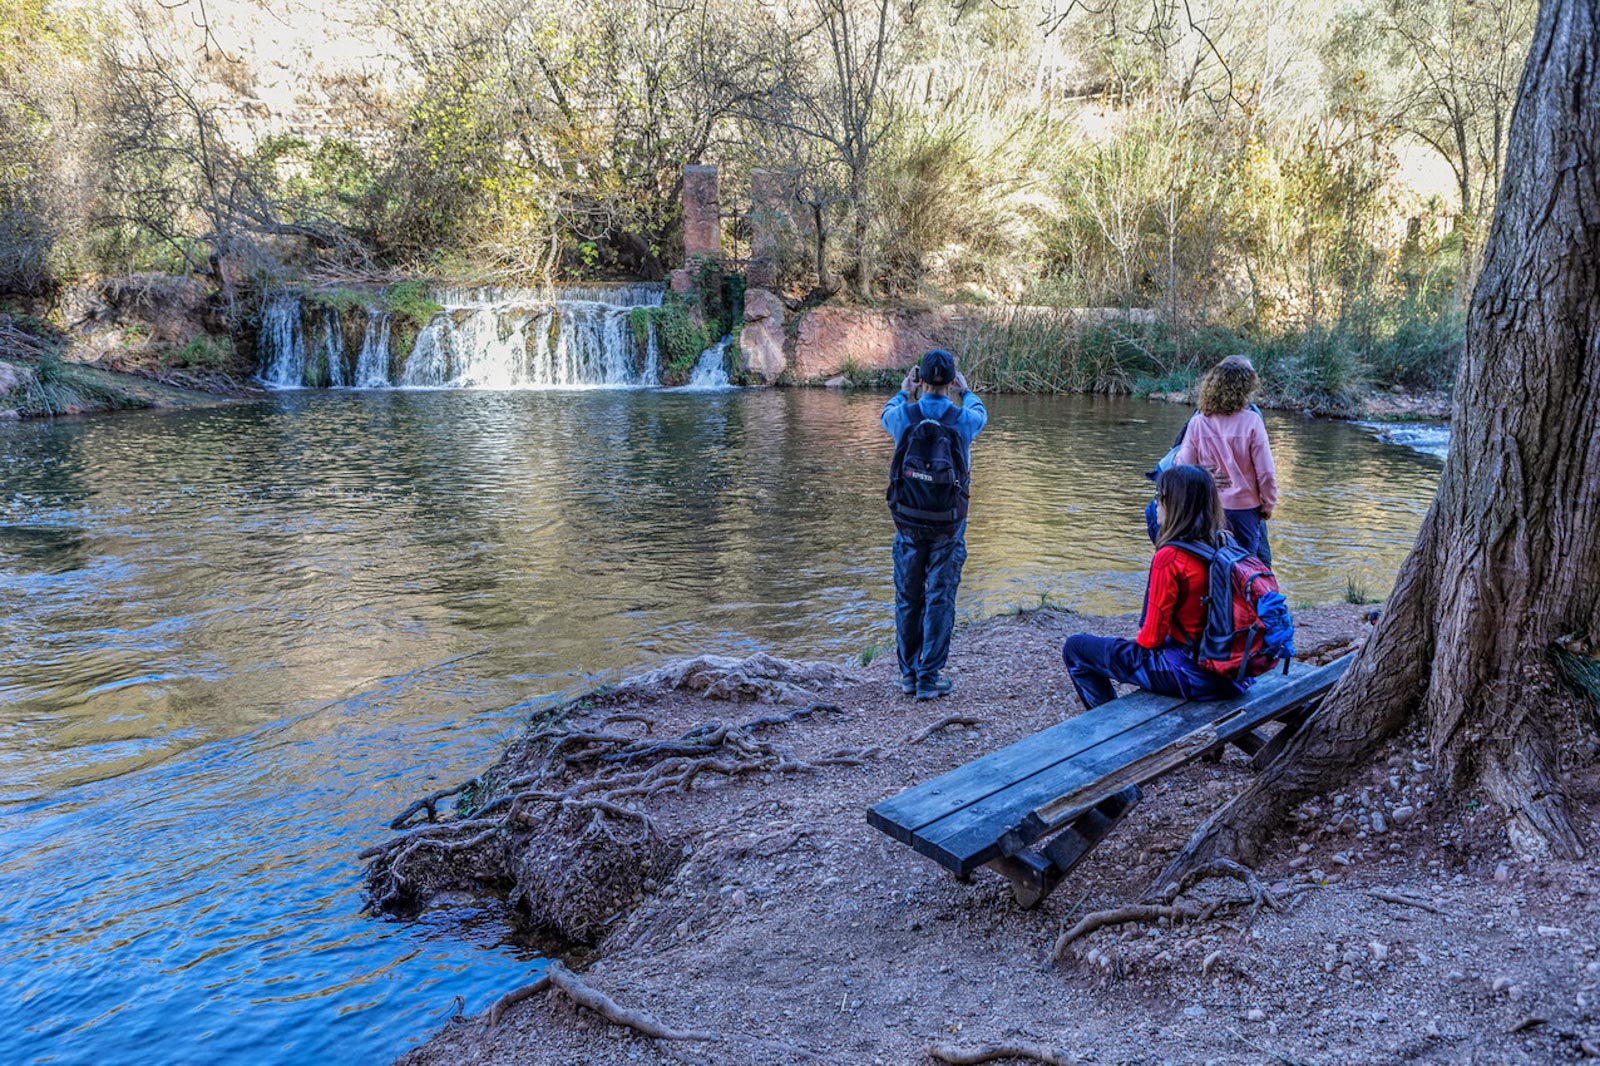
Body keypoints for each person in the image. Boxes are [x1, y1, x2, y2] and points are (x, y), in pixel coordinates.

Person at [1062, 465, 1252, 709]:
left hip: (1194, 676)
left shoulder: (1170, 558)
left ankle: (1108, 726)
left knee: (1076, 649)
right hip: (1235, 672)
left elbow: (1151, 639)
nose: (1155, 505)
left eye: (1158, 497)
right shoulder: (1226, 543)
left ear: (1172, 504)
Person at [881, 349, 987, 700]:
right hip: (949, 523)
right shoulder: (965, 419)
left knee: (908, 597)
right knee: (941, 597)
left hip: (908, 522)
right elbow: (979, 411)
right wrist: (966, 391)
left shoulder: (903, 416)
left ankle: (908, 674)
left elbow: (885, 413)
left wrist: (903, 390)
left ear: (920, 379)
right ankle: (929, 676)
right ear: (952, 380)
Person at [1169, 354, 1278, 559]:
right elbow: (1266, 473)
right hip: (1245, 509)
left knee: (1212, 561)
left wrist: (1203, 472)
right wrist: (1268, 505)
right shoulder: (1252, 421)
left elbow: (1183, 466)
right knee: (1245, 565)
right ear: (1246, 387)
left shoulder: (1199, 421)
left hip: (1210, 505)